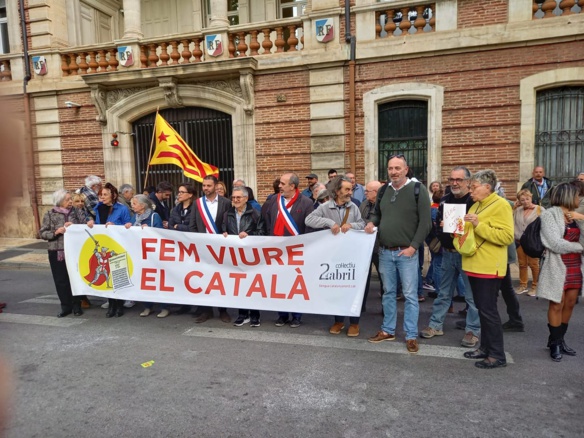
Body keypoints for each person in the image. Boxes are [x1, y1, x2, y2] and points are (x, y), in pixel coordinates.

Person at [365, 155, 431, 354]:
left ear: (405, 169)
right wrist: (372, 222)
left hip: (407, 253)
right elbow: (378, 213)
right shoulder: (384, 190)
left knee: (410, 295)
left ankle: (410, 335)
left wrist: (413, 247)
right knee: (388, 293)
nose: (393, 171)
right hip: (385, 251)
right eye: (390, 168)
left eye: (397, 168)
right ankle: (387, 330)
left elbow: (425, 223)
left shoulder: (418, 190)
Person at [420, 166, 481, 348]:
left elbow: (477, 228)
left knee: (471, 296)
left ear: (468, 182)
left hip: (468, 255)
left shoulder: (475, 202)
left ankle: (472, 331)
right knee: (443, 293)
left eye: (459, 180)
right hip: (448, 253)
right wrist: (444, 230)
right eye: (452, 179)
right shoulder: (445, 200)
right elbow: (438, 226)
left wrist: (457, 227)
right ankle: (435, 325)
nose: (454, 183)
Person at [461, 169, 514, 369]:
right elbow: (470, 231)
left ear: (487, 187)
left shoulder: (501, 205)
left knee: (488, 311)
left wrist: (478, 225)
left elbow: (507, 237)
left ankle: (497, 355)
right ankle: (485, 348)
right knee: (482, 310)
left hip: (489, 266)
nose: (471, 191)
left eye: (474, 187)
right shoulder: (476, 205)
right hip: (475, 264)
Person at [306, 175, 365, 336]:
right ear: (337, 191)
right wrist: (329, 223)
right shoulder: (325, 207)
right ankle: (338, 320)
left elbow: (362, 224)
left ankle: (354, 323)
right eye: (346, 189)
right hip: (334, 255)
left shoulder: (354, 207)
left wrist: (351, 225)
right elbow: (309, 220)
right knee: (337, 287)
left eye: (351, 189)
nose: (350, 192)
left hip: (353, 255)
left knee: (353, 288)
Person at [537, 183, 584, 362]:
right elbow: (555, 243)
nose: (578, 199)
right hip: (557, 264)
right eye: (576, 195)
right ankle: (555, 343)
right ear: (567, 196)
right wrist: (579, 247)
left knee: (570, 303)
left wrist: (582, 219)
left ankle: (559, 339)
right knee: (557, 303)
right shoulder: (549, 215)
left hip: (575, 265)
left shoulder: (576, 216)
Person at [262, 172, 314, 328]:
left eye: (283, 184)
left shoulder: (306, 203)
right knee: (278, 284)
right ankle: (282, 315)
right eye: (280, 183)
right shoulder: (273, 201)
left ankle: (296, 315)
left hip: (296, 251)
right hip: (276, 251)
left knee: (295, 285)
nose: (279, 186)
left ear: (292, 186)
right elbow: (266, 222)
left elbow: (309, 228)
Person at [189, 175, 232, 323]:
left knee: (220, 279)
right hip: (203, 247)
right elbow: (192, 225)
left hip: (220, 247)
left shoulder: (226, 203)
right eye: (204, 186)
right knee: (204, 278)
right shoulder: (198, 203)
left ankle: (223, 310)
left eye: (209, 185)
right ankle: (206, 310)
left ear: (215, 186)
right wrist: (197, 242)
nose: (206, 188)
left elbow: (229, 222)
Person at [39, 189, 87, 317]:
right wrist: (56, 232)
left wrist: (75, 226)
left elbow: (85, 226)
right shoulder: (50, 214)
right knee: (61, 280)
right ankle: (66, 306)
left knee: (75, 279)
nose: (70, 201)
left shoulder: (77, 212)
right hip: (57, 252)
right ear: (59, 201)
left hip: (75, 252)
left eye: (70, 199)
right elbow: (42, 233)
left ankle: (77, 305)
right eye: (67, 200)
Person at [222, 186, 265, 327]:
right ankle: (242, 314)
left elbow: (262, 233)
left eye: (238, 197)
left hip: (251, 255)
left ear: (246, 198)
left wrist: (249, 236)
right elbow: (223, 230)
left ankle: (255, 315)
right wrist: (224, 235)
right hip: (235, 255)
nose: (235, 200)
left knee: (252, 285)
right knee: (238, 285)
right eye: (233, 197)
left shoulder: (256, 214)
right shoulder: (227, 214)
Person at [87, 183, 131, 317]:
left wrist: (115, 225)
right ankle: (111, 304)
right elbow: (99, 226)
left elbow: (128, 227)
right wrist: (92, 223)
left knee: (118, 275)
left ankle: (119, 305)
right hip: (106, 245)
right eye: (100, 195)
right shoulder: (98, 208)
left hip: (118, 246)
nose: (102, 197)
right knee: (107, 276)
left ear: (114, 196)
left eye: (105, 195)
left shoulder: (122, 209)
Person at [124, 195, 168, 317]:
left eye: (134, 203)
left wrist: (150, 230)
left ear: (142, 205)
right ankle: (147, 306)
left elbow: (161, 233)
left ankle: (164, 307)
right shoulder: (135, 218)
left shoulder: (154, 216)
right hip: (140, 254)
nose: (132, 206)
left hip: (154, 255)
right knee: (144, 281)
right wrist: (128, 226)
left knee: (158, 280)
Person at [169, 183, 196, 315]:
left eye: (182, 192)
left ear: (190, 194)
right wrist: (177, 226)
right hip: (179, 247)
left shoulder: (196, 208)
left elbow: (192, 227)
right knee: (182, 275)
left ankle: (197, 305)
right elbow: (170, 225)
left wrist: (178, 227)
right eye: (178, 192)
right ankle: (184, 304)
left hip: (192, 247)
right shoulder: (176, 209)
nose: (179, 194)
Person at [359, 181, 384, 311]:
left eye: (367, 191)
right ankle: (360, 307)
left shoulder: (385, 205)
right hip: (365, 249)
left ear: (376, 192)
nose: (365, 193)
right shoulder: (363, 204)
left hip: (380, 248)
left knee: (385, 281)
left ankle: (386, 310)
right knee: (363, 280)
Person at [514, 189, 543, 296]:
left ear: (531, 198)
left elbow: (544, 225)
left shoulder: (539, 209)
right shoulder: (518, 210)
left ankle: (535, 286)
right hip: (519, 240)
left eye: (527, 199)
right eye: (522, 200)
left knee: (534, 264)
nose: (525, 201)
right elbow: (513, 222)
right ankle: (523, 285)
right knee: (522, 264)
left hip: (532, 241)